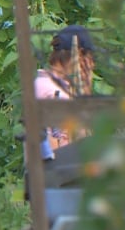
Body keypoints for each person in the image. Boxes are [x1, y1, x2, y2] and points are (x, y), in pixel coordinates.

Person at [35, 25, 96, 159]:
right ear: (78, 55)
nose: (92, 65)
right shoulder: (51, 92)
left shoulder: (58, 87)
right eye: (89, 58)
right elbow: (55, 153)